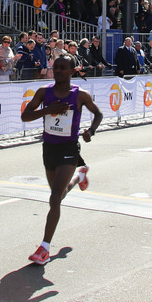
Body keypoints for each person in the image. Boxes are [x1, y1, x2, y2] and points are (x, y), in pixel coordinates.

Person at [21, 54, 103, 265]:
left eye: (62, 68)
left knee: (55, 197)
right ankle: (80, 176)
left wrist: (90, 131)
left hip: (69, 148)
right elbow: (25, 116)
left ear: (72, 71)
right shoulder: (44, 92)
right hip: (49, 148)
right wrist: (48, 110)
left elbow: (98, 114)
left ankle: (44, 248)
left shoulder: (80, 95)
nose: (57, 71)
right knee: (59, 195)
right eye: (55, 67)